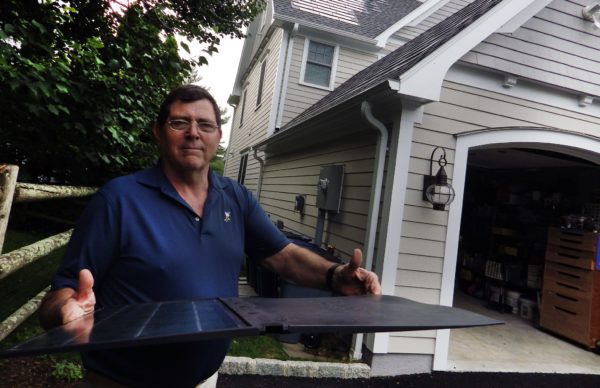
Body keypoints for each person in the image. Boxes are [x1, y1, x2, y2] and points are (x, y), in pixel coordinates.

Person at [38, 85, 381, 387]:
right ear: (157, 132)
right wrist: (66, 310)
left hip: (204, 379)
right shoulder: (118, 200)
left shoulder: (236, 198)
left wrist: (334, 276)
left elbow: (284, 255)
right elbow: (62, 292)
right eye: (179, 123)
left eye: (205, 125)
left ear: (218, 137)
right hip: (123, 380)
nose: (193, 133)